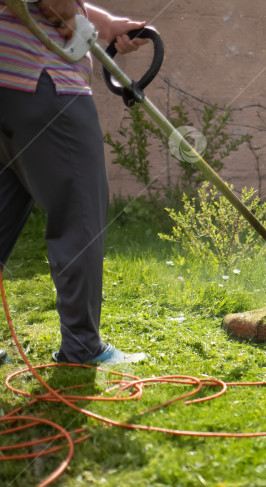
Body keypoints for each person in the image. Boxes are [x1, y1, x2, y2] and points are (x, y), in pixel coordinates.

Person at [0, 0, 148, 365]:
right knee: (79, 208)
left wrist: (106, 23)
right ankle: (83, 346)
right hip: (40, 76)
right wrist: (69, 16)